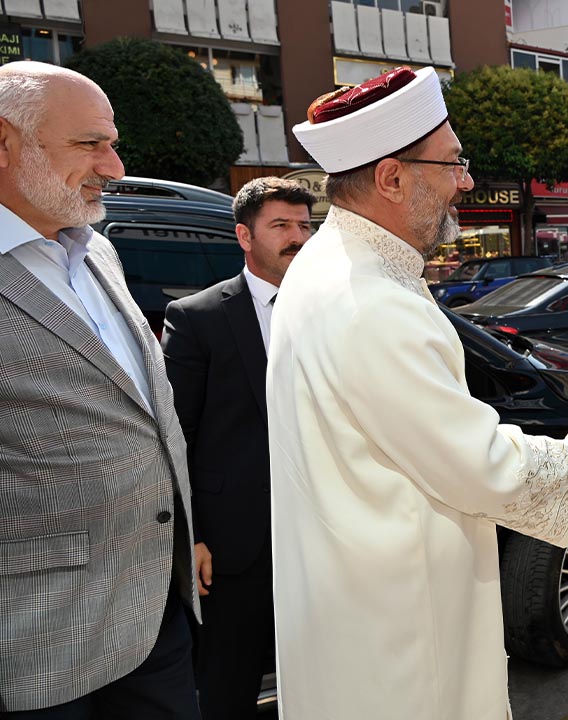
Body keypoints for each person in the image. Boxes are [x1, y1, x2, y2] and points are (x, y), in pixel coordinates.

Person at [270, 67, 568, 719]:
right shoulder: (371, 301)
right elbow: (474, 466)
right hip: (403, 644)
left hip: (360, 613)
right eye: (453, 162)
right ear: (392, 178)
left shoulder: (330, 268)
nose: (465, 180)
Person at [0, 62, 201, 716]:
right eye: (90, 145)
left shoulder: (98, 250)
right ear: (5, 143)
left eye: (112, 144)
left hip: (154, 611)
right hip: (37, 641)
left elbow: (141, 412)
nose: (113, 167)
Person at [161, 177, 315, 720]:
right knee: (229, 686)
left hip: (324, 536)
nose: (297, 237)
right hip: (235, 548)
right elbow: (177, 433)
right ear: (244, 237)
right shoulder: (198, 317)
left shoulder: (333, 311)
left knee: (320, 678)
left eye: (304, 225)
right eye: (281, 226)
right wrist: (194, 535)